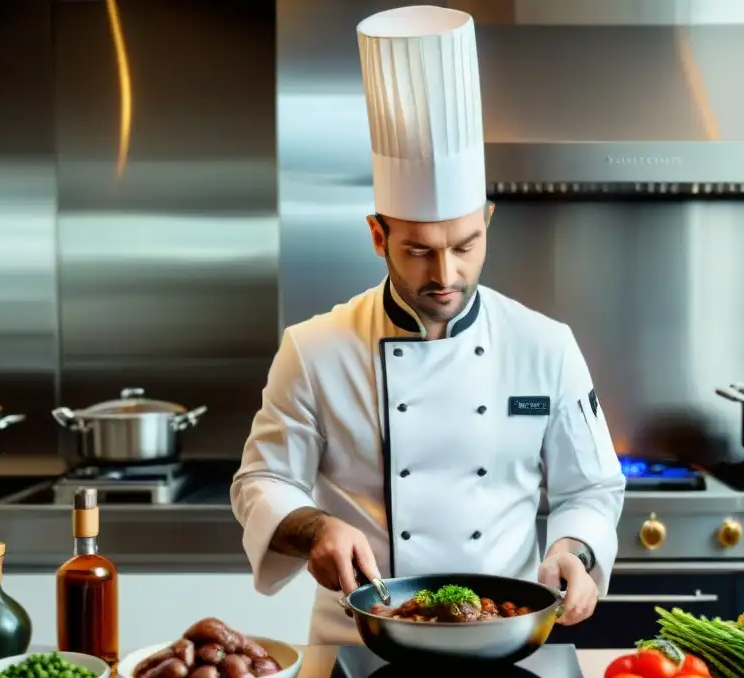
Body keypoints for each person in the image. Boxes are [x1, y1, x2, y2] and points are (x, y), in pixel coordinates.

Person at [231, 5, 626, 645]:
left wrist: (574, 552)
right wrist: (314, 528)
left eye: (466, 245)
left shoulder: (544, 347)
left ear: (488, 222)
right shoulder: (313, 350)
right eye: (417, 250)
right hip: (356, 643)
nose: (445, 272)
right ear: (376, 235)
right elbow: (262, 481)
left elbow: (594, 487)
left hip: (506, 638)